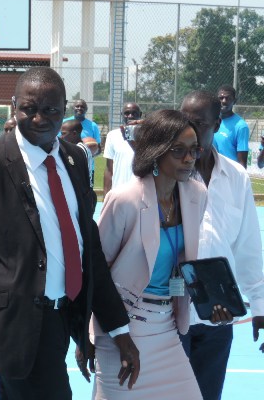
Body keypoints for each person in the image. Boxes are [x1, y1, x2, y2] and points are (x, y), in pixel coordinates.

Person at [0, 67, 139, 400]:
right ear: (14, 106)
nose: (40, 118)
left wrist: (118, 328)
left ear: (65, 108)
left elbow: (89, 252)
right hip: (18, 323)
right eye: (29, 108)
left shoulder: (74, 159)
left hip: (64, 318)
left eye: (51, 110)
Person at [92, 109, 222, 399]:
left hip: (167, 328)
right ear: (156, 151)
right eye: (179, 151)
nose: (189, 159)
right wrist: (97, 334)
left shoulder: (196, 195)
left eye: (194, 150)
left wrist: (212, 302)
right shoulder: (124, 200)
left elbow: (183, 265)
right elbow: (97, 270)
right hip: (122, 331)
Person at [180, 90, 264, 400]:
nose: (189, 130)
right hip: (170, 312)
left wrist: (259, 305)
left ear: (217, 124)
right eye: (184, 121)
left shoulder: (237, 177)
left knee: (207, 394)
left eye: (198, 123)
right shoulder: (164, 175)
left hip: (219, 311)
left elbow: (248, 247)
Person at [103, 102, 142, 197]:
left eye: (134, 113)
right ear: (122, 115)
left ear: (140, 115)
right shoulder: (112, 135)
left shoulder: (148, 135)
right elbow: (109, 169)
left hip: (140, 193)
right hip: (118, 192)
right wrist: (106, 195)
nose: (130, 116)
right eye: (127, 113)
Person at [213, 85, 249, 168]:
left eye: (228, 98)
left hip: (229, 176)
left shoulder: (241, 126)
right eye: (221, 98)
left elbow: (242, 164)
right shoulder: (210, 121)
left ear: (234, 101)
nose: (224, 101)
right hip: (210, 174)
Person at [60, 119, 94, 188]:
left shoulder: (80, 150)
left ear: (74, 134)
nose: (61, 137)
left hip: (82, 190)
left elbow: (80, 174)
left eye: (64, 133)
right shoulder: (72, 148)